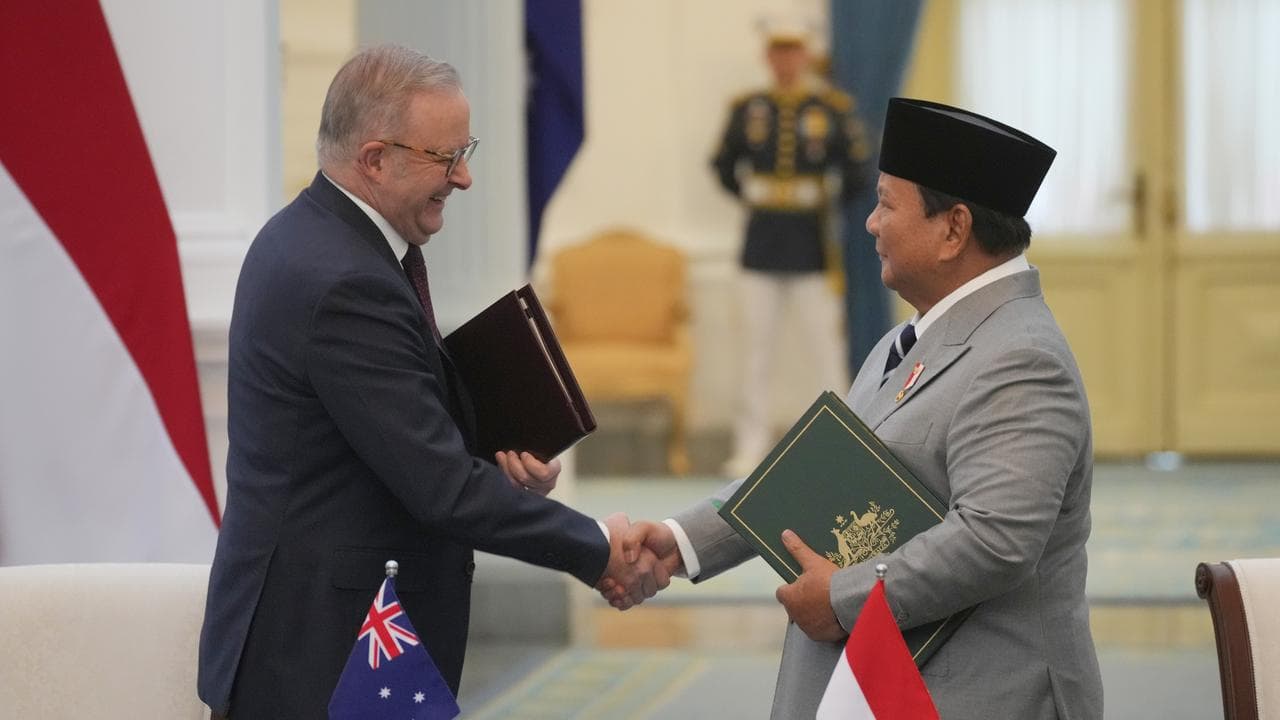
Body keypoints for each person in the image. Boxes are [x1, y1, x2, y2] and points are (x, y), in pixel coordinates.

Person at [197, 45, 664, 719]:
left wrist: (489, 457)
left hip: (323, 644)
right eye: (445, 158)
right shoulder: (345, 282)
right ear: (376, 159)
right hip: (322, 661)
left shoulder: (310, 237)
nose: (465, 177)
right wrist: (596, 548)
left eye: (463, 149)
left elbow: (379, 442)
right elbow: (438, 487)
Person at [611, 98, 1104, 718]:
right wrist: (680, 542)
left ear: (953, 229)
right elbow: (817, 476)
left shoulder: (1022, 357)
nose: (870, 224)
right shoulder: (908, 339)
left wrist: (843, 596)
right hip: (885, 682)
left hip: (979, 692)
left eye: (886, 205)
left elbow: (996, 540)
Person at [712, 20, 874, 477]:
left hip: (811, 244)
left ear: (806, 55)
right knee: (754, 351)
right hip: (759, 244)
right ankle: (750, 447)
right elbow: (723, 164)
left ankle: (843, 444)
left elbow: (859, 170)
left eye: (794, 51)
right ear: (769, 56)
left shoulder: (831, 109)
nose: (786, 60)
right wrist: (753, 193)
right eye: (778, 52)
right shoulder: (749, 109)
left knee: (825, 348)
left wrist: (825, 199)